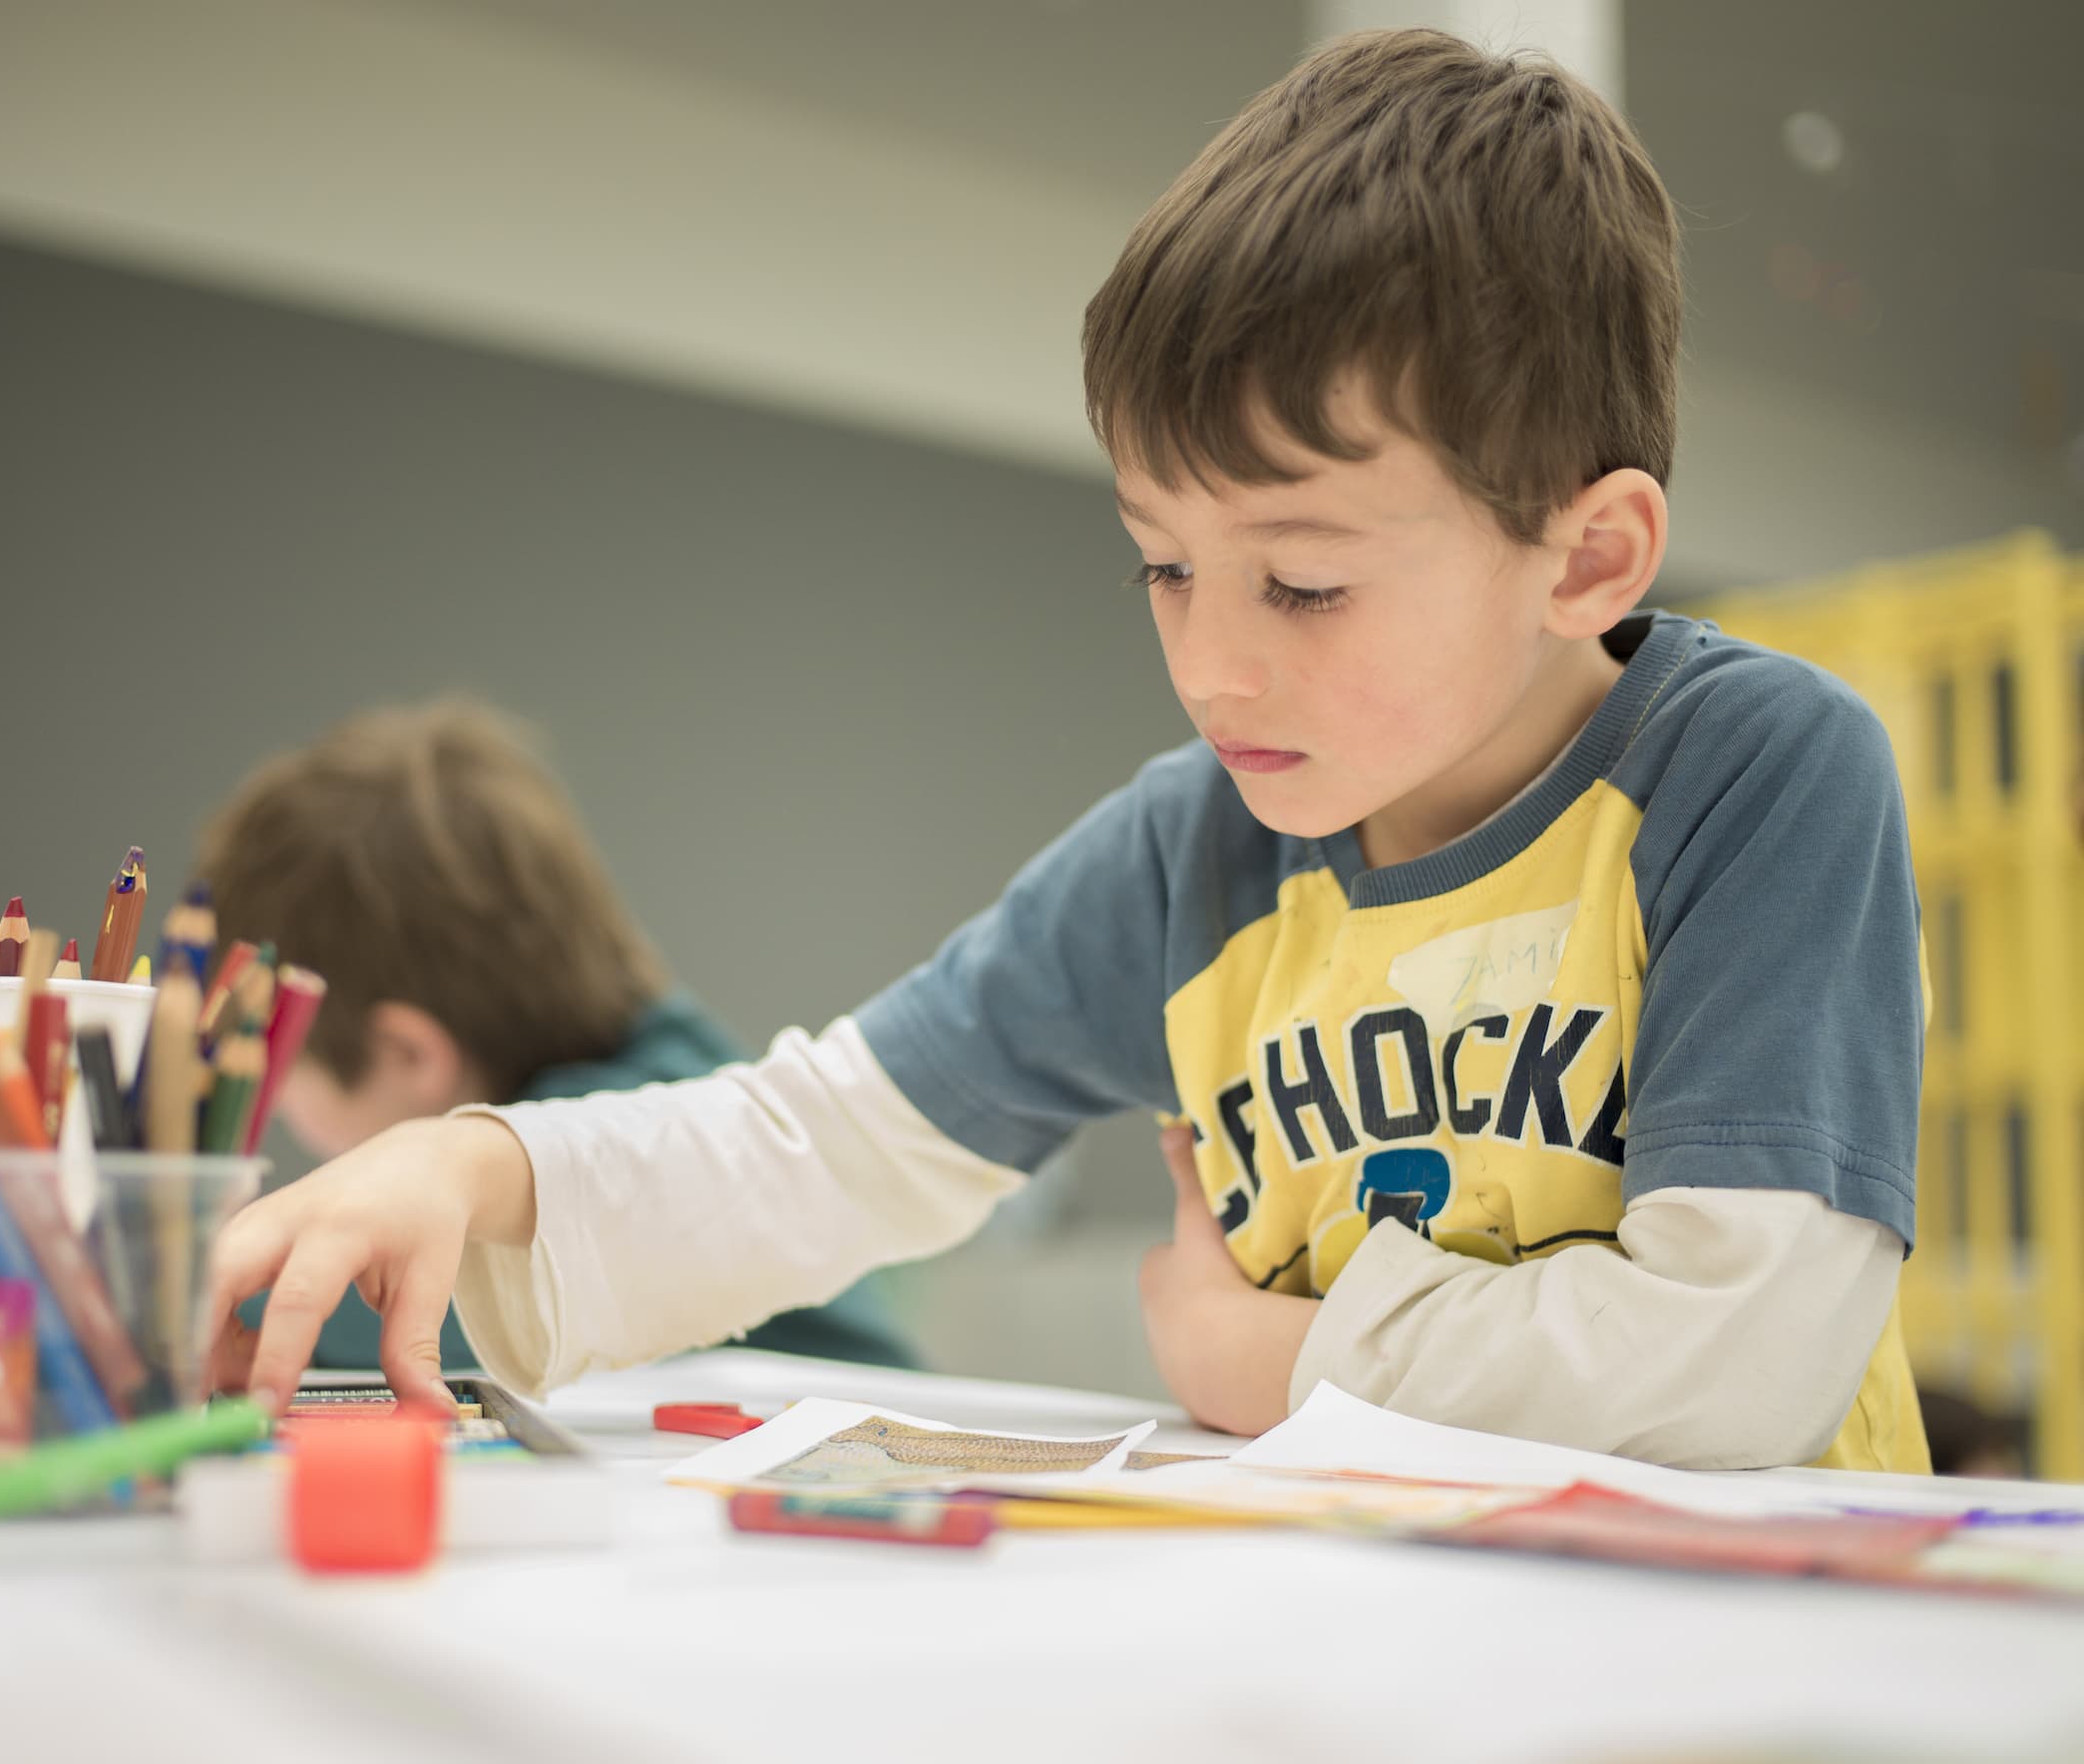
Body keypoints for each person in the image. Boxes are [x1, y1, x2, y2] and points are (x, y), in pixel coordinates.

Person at [207, 28, 1929, 1472]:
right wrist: (481, 1160)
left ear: (1591, 556)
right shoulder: (1196, 852)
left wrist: (1269, 1360)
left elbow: (1725, 1365)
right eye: (1164, 564)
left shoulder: (1755, 778)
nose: (1207, 661)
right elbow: (823, 1146)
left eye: (1305, 581)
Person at [198, 698, 915, 1374]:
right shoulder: (681, 1057)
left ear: (409, 1054)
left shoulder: (616, 1151)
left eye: (281, 1076)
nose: (279, 1109)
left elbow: (321, 1303)